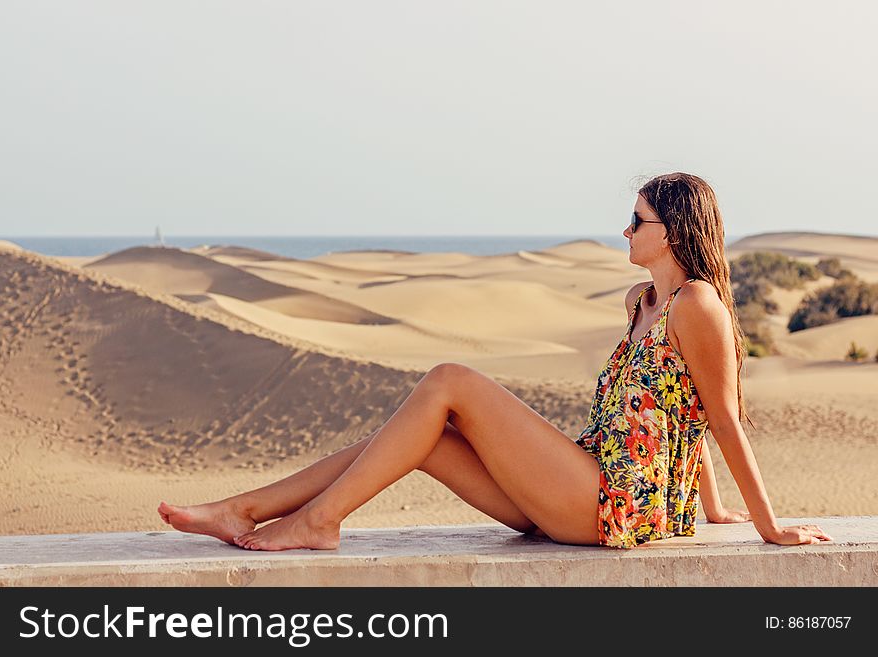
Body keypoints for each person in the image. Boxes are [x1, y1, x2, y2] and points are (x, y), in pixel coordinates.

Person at [158, 172, 833, 551]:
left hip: (610, 502)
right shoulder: (642, 301)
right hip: (575, 485)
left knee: (451, 380)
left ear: (674, 230)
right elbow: (678, 409)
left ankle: (317, 521)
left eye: (637, 219)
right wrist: (707, 507)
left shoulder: (699, 305)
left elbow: (723, 416)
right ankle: (243, 509)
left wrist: (766, 525)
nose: (624, 231)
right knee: (420, 433)